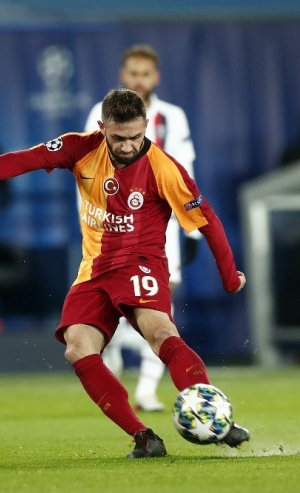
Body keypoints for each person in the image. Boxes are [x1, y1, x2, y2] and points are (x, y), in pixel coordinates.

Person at [0, 88, 250, 458]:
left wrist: (229, 276)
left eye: (136, 136)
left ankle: (215, 419)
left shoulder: (164, 169)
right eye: (119, 138)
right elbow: (26, 159)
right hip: (93, 271)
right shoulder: (79, 148)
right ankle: (144, 437)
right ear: (102, 127)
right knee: (77, 348)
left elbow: (209, 221)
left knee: (160, 331)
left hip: (140, 264)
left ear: (146, 126)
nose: (129, 145)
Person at [83, 44, 201, 412]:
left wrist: (192, 228)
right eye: (132, 73)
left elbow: (185, 173)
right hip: (112, 225)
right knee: (116, 301)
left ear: (156, 78)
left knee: (161, 307)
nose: (139, 79)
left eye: (145, 74)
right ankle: (113, 357)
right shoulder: (99, 115)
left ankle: (148, 389)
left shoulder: (173, 117)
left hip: (160, 224)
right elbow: (88, 168)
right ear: (123, 75)